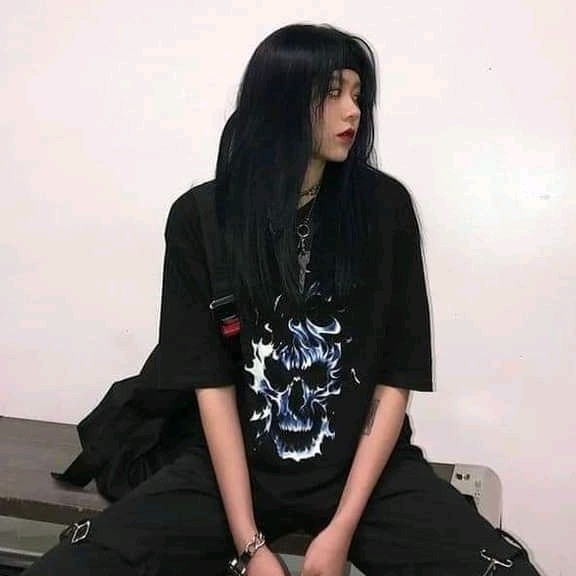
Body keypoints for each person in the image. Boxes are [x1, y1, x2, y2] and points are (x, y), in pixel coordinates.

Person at [24, 23, 541, 576]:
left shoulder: (384, 209)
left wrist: (341, 529)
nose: (353, 111)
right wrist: (250, 546)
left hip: (363, 473)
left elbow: (395, 379)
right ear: (282, 100)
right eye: (333, 92)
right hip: (232, 471)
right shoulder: (204, 219)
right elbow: (212, 386)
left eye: (358, 94)